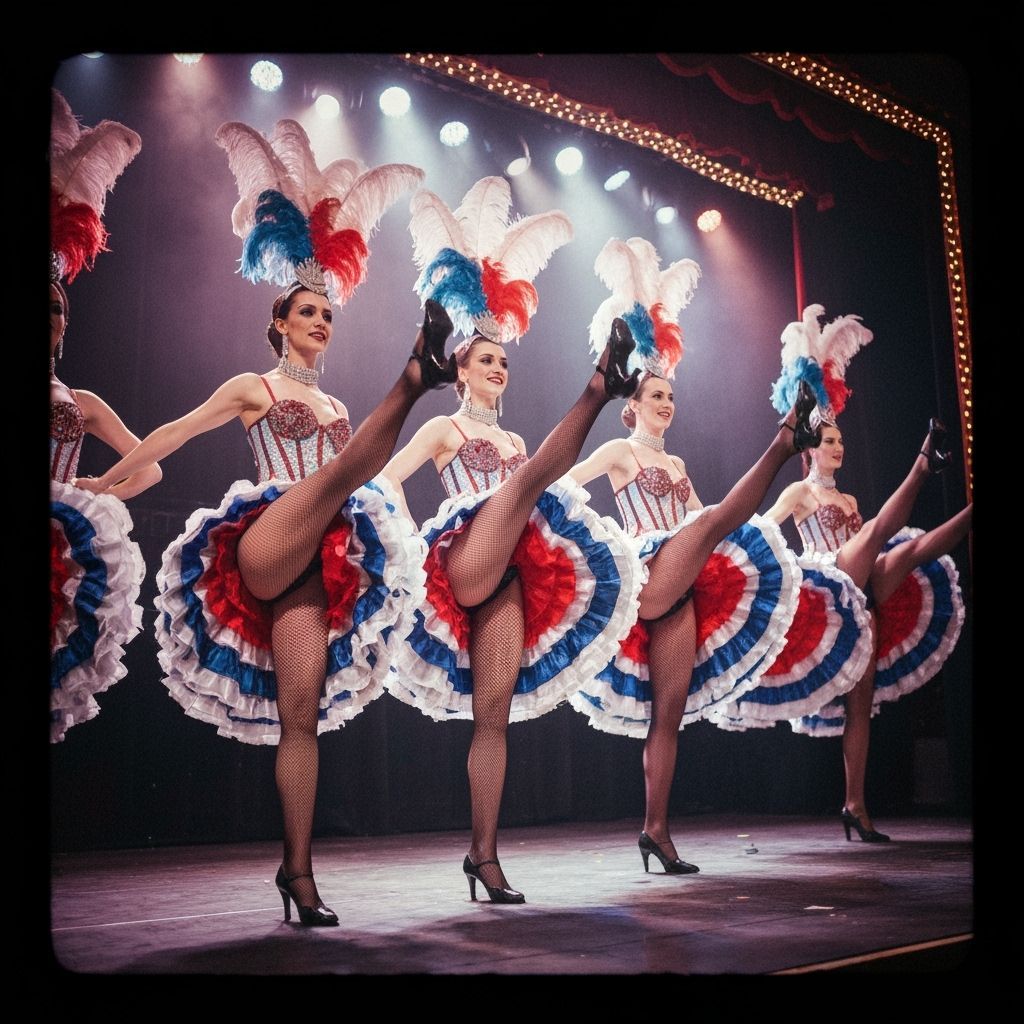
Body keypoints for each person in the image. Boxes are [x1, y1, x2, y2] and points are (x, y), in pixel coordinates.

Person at [77, 119, 438, 924]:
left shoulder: (336, 406)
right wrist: (110, 479)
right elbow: (175, 433)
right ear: (279, 322)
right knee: (342, 476)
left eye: (328, 314)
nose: (320, 322)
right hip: (267, 541)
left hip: (323, 558)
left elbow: (370, 481)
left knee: (301, 720)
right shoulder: (255, 387)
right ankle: (414, 380)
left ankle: (298, 872)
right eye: (307, 312)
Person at [383, 182, 644, 904]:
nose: (498, 370)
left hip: (509, 575)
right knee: (529, 481)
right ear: (461, 369)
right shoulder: (444, 428)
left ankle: (484, 854)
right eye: (486, 361)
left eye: (504, 363)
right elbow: (387, 480)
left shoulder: (517, 442)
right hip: (461, 564)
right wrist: (405, 546)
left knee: (493, 719)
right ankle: (598, 388)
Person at [567, 238, 816, 874]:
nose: (666, 405)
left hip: (680, 585)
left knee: (669, 716)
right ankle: (784, 444)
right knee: (711, 519)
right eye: (656, 397)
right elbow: (567, 484)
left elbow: (709, 527)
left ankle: (656, 831)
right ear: (631, 408)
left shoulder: (677, 463)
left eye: (671, 398)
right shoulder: (620, 451)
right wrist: (592, 544)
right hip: (643, 577)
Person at [761, 420, 970, 841]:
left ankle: (854, 805)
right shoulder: (799, 492)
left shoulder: (849, 499)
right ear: (811, 449)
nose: (838, 447)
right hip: (829, 584)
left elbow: (867, 548)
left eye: (841, 440)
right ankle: (923, 465)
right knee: (878, 530)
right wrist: (791, 576)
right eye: (829, 441)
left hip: (861, 590)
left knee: (912, 550)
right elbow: (764, 529)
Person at [49, 91, 158, 742]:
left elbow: (149, 468)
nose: (50, 317)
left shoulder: (81, 402)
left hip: (65, 545)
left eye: (55, 308)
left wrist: (100, 488)